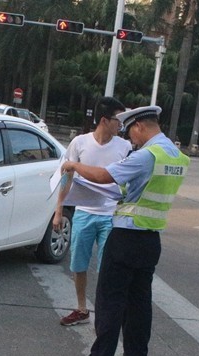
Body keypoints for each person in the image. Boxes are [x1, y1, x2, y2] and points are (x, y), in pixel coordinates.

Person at [62, 105, 190, 356]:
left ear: (140, 126)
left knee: (110, 299)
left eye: (131, 131)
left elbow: (103, 175)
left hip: (127, 236)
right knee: (140, 300)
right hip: (151, 238)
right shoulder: (176, 156)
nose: (130, 138)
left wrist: (73, 165)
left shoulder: (147, 155)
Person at [53, 97, 131, 326]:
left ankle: (107, 312)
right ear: (105, 120)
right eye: (118, 120)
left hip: (111, 216)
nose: (121, 125)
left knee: (110, 267)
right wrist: (59, 210)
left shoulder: (124, 147)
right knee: (78, 264)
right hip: (85, 212)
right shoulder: (79, 143)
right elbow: (66, 178)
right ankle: (81, 309)